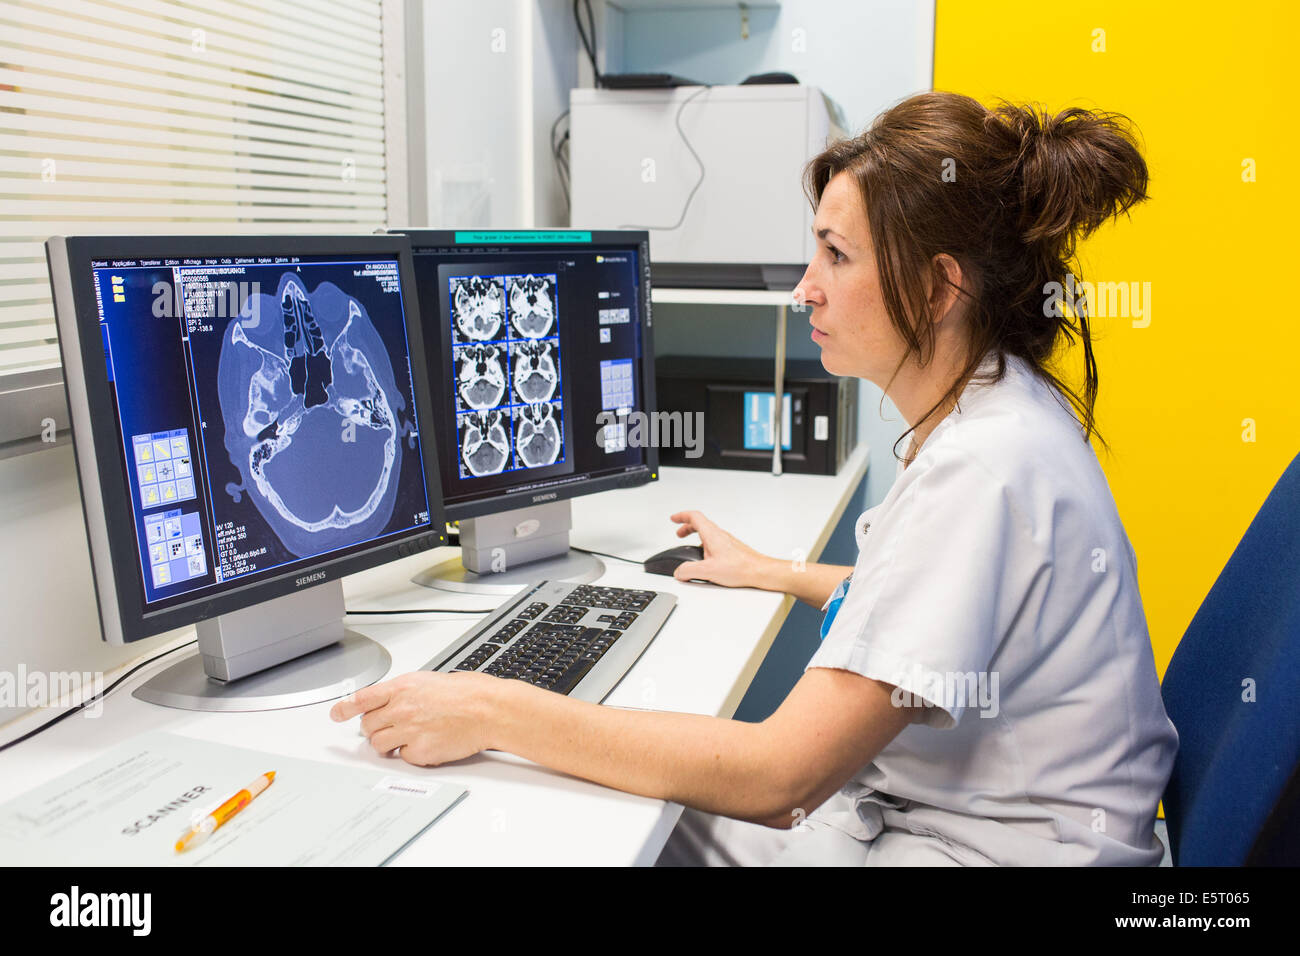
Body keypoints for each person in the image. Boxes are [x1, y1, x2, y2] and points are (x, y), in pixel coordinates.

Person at [330, 90, 1179, 866]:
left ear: (935, 288)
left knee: (603, 814)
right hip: (962, 818)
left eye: (836, 257)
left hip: (995, 852)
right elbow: (936, 604)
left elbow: (780, 783)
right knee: (626, 800)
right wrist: (773, 573)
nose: (806, 289)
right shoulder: (1000, 410)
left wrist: (493, 709)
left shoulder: (983, 469)